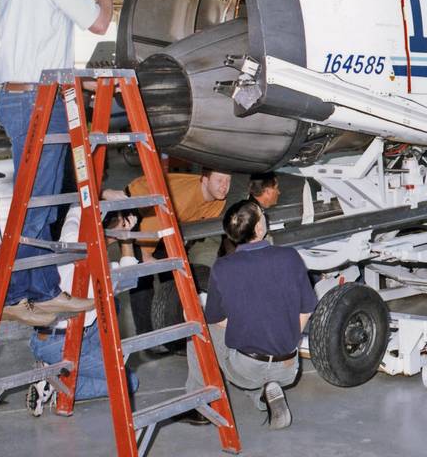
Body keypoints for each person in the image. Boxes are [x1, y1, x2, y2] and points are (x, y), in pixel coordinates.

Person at [0, 0, 118, 325]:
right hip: (38, 99)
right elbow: (99, 23)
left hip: (18, 96)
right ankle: (17, 295)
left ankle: (43, 291)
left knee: (42, 202)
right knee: (36, 205)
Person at [180, 199, 316, 429]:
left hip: (246, 367)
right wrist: (289, 337)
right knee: (255, 342)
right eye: (262, 213)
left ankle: (200, 407)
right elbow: (307, 307)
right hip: (288, 366)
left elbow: (217, 320)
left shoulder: (223, 267)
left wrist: (245, 322)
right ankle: (265, 394)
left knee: (198, 328)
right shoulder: (290, 257)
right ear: (260, 229)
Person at [25, 206, 140, 415]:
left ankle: (56, 370)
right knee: (129, 381)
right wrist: (126, 239)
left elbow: (76, 209)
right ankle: (56, 384)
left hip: (48, 336)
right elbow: (131, 279)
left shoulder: (70, 238)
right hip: (61, 343)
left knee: (112, 305)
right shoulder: (102, 270)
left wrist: (105, 199)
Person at [105, 169, 232, 260]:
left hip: (163, 215)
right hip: (137, 201)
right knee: (142, 273)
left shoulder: (219, 201)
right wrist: (147, 255)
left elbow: (197, 223)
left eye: (228, 181)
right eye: (220, 180)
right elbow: (153, 222)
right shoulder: (184, 199)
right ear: (205, 180)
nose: (224, 186)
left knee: (171, 264)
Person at [219, 172, 281, 257]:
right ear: (267, 191)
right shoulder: (249, 217)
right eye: (276, 188)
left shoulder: (248, 207)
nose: (279, 192)